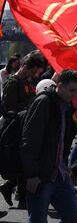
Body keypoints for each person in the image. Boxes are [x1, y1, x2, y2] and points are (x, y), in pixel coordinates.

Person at [21, 69, 77, 223]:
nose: (75, 95)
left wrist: (65, 165)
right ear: (59, 86)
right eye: (72, 90)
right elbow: (29, 139)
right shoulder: (44, 102)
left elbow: (63, 141)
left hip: (60, 174)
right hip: (41, 175)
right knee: (38, 219)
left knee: (72, 216)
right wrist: (32, 173)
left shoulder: (66, 107)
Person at [0, 50, 46, 209]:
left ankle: (15, 191)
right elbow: (9, 108)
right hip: (15, 129)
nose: (35, 75)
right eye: (34, 71)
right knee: (20, 163)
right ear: (26, 67)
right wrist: (30, 109)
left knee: (22, 164)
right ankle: (21, 197)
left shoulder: (26, 83)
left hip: (25, 126)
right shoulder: (12, 83)